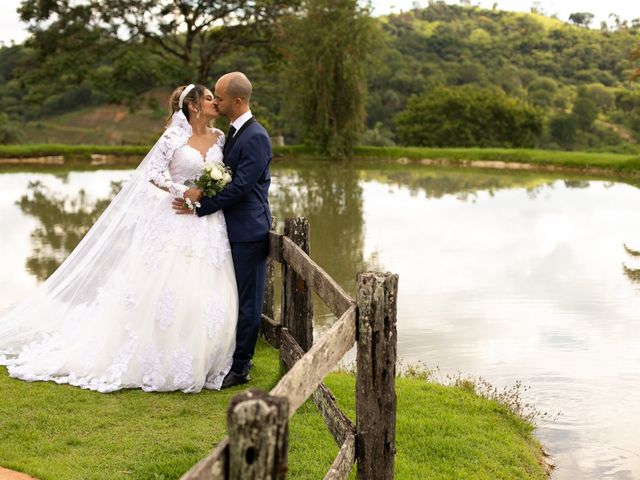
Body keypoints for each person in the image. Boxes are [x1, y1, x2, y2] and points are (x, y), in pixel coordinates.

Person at [0, 84, 238, 393]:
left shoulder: (220, 137)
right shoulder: (173, 138)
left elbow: (227, 171)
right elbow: (153, 173)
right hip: (177, 218)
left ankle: (209, 357)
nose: (214, 102)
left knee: (210, 287)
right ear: (192, 106)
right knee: (168, 288)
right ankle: (159, 357)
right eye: (208, 98)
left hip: (209, 223)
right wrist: (183, 191)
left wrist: (212, 191)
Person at [173, 72, 272, 389]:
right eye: (212, 96)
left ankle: (241, 367)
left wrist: (200, 207)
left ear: (238, 101)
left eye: (220, 96)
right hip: (228, 229)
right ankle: (227, 358)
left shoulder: (255, 136)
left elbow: (242, 187)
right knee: (229, 298)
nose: (215, 101)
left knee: (248, 302)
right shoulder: (231, 133)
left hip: (248, 230)